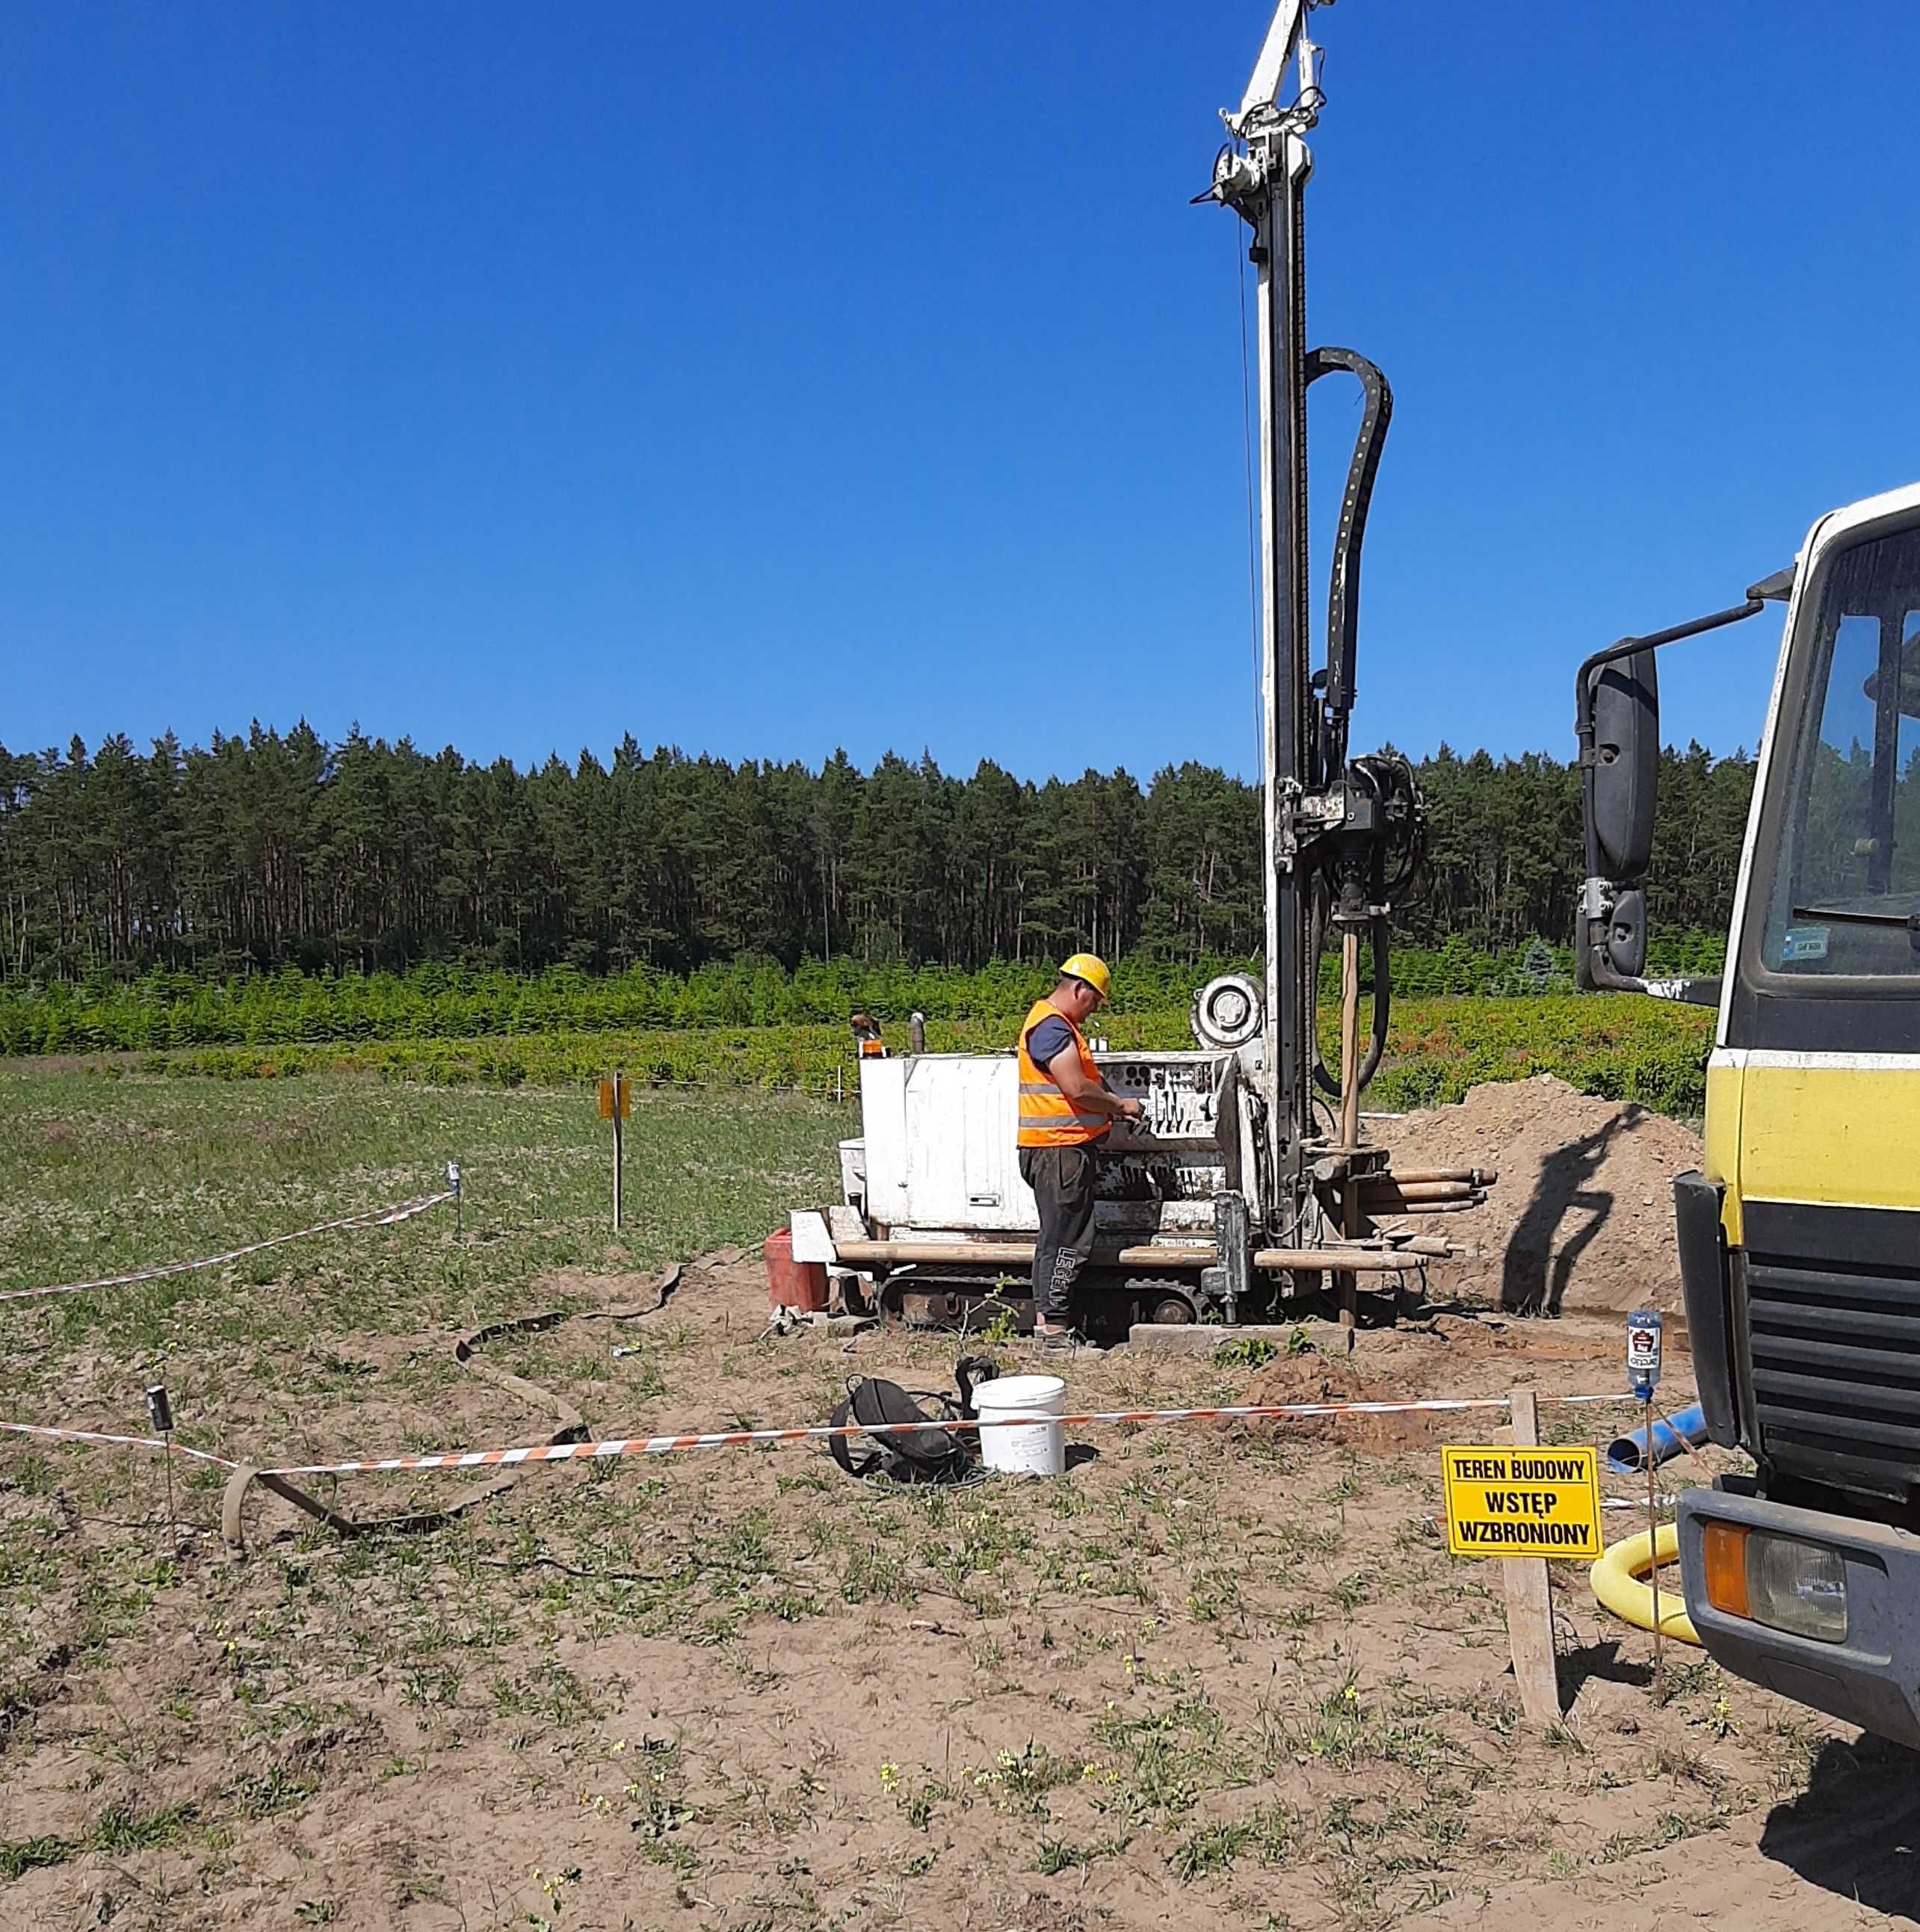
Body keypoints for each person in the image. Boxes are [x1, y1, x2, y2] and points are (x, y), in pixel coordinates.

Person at [1015, 953, 1143, 1354]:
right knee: (1065, 1241)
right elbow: (1076, 1088)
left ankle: (1049, 1329)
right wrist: (1121, 1106)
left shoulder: (1054, 1025)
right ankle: (1054, 1336)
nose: (1092, 1011)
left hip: (1060, 1152)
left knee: (1060, 1237)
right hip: (1059, 1153)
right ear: (1079, 988)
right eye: (1094, 1001)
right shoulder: (1052, 1028)